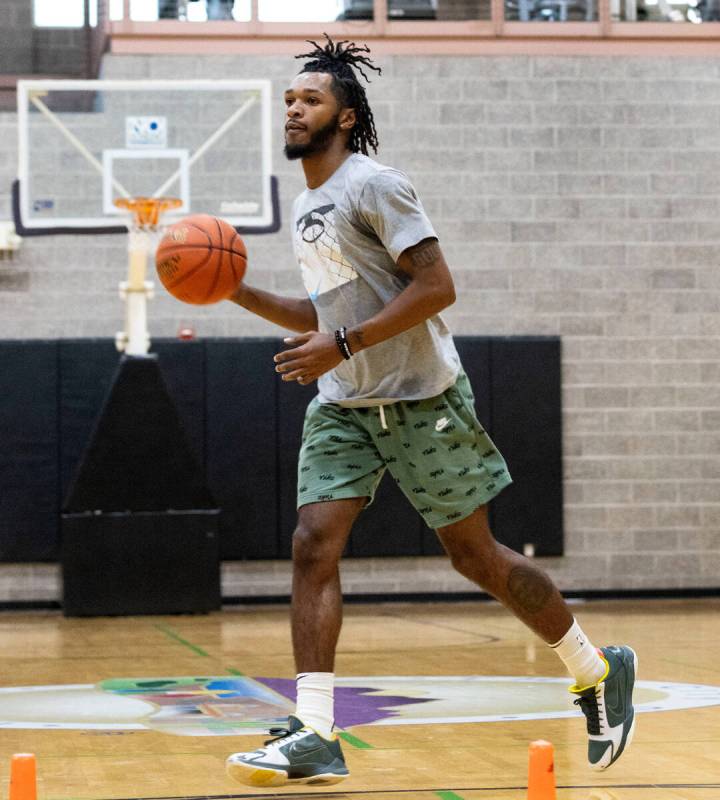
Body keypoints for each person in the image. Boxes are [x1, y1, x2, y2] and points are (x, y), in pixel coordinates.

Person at [225, 34, 637, 788]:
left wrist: (340, 341)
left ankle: (595, 666)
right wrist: (237, 290)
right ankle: (316, 730)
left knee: (473, 555)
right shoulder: (311, 204)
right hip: (347, 404)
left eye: (309, 99)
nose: (293, 109)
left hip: (422, 399)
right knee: (313, 543)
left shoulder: (373, 184)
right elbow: (325, 312)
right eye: (288, 99)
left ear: (346, 117)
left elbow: (437, 287)